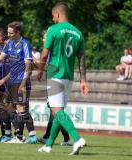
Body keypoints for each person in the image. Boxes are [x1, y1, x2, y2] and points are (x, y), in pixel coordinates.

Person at [37, 2, 88, 155]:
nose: (53, 19)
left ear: (58, 14)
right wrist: (83, 80)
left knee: (57, 111)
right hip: (68, 76)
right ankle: (48, 145)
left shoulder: (53, 29)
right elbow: (82, 58)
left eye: (53, 16)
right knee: (58, 113)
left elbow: (45, 54)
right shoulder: (78, 33)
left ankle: (77, 138)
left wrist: (40, 71)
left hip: (55, 74)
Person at [0, 21, 38, 144]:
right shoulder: (9, 44)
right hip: (11, 81)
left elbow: (28, 65)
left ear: (17, 32)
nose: (8, 35)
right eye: (7, 32)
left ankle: (22, 137)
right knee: (12, 106)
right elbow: (0, 59)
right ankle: (24, 135)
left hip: (21, 81)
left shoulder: (25, 44)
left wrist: (23, 83)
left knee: (21, 107)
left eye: (10, 33)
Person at [38, 30, 72, 146]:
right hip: (53, 82)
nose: (44, 40)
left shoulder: (52, 51)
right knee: (54, 112)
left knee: (56, 112)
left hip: (55, 83)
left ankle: (65, 138)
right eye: (44, 38)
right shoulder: (53, 51)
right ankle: (55, 137)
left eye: (45, 37)